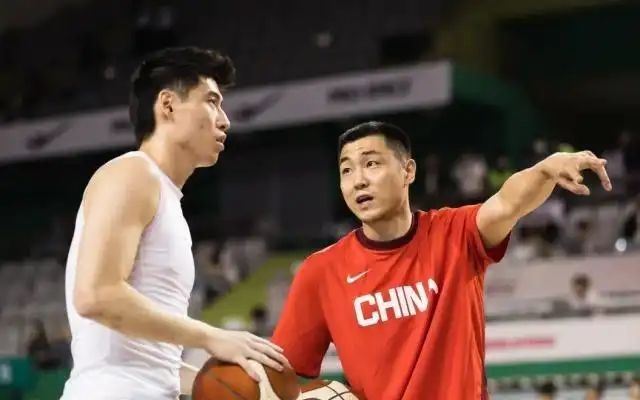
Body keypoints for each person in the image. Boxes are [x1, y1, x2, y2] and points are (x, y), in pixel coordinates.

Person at [272, 121, 612, 400]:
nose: (358, 180)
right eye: (346, 170)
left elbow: (508, 203)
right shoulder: (321, 271)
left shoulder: (456, 233)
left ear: (408, 171)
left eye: (371, 164)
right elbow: (282, 375)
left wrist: (546, 169)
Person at [61, 47, 287, 400]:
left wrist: (247, 390)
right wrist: (212, 337)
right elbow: (96, 296)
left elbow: (152, 365)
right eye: (212, 102)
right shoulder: (132, 173)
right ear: (167, 105)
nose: (225, 120)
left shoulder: (165, 198)